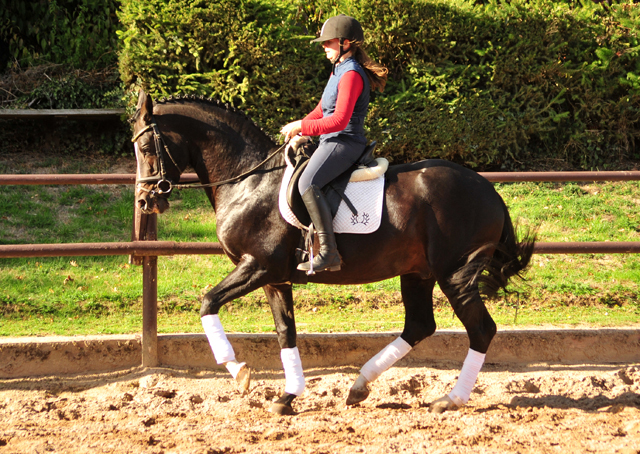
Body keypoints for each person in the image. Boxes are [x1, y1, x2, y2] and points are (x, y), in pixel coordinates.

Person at [281, 14, 388, 273]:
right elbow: (321, 110)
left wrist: (302, 126)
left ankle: (329, 253)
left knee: (308, 182)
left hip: (345, 142)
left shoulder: (351, 74)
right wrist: (300, 127)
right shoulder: (338, 71)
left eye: (328, 42)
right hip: (331, 140)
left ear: (346, 43)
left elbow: (339, 121)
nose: (324, 47)